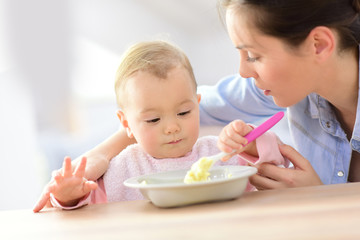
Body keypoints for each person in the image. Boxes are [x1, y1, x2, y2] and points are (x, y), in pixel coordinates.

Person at [35, 0, 360, 210]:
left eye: (254, 55)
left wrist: (326, 198)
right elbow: (172, 107)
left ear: (318, 45)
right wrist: (101, 155)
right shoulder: (276, 87)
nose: (243, 72)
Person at [33, 40, 286, 211]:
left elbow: (272, 164)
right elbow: (86, 204)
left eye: (184, 112)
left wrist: (249, 142)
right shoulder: (120, 169)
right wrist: (68, 195)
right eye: (154, 119)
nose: (172, 127)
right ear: (126, 124)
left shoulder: (219, 154)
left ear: (198, 104)